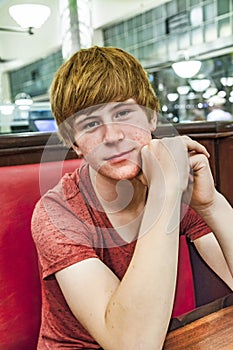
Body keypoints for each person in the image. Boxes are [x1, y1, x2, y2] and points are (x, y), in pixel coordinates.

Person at [31, 46, 233, 350]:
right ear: (75, 144)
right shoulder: (58, 213)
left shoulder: (173, 182)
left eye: (123, 113)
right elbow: (133, 345)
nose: (112, 136)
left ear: (151, 119)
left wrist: (211, 204)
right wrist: (165, 192)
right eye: (90, 124)